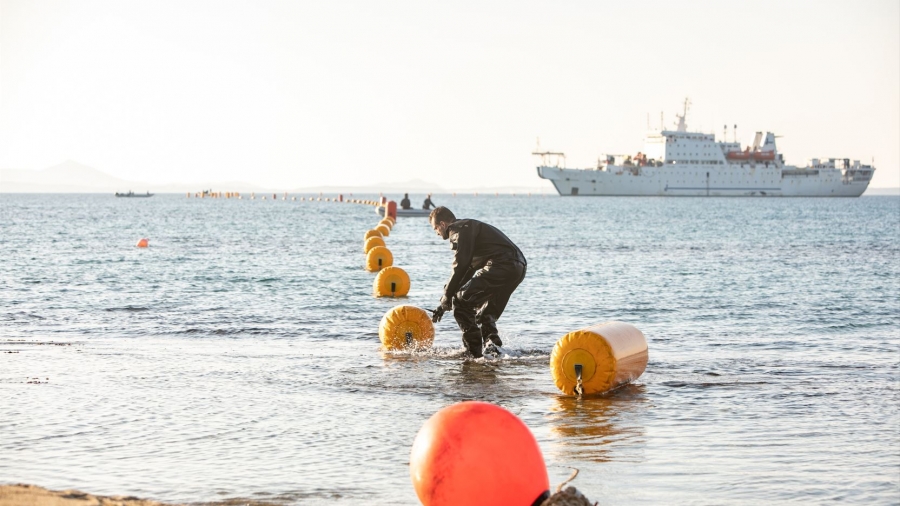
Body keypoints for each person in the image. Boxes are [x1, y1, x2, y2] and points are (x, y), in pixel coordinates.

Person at [429, 206, 527, 358]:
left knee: (461, 302)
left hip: (501, 265)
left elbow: (460, 266)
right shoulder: (469, 228)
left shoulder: (457, 230)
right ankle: (493, 351)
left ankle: (473, 353)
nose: (436, 233)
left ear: (443, 224)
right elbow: (468, 271)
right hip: (517, 268)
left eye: (435, 228)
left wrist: (449, 295)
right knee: (484, 313)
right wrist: (444, 302)